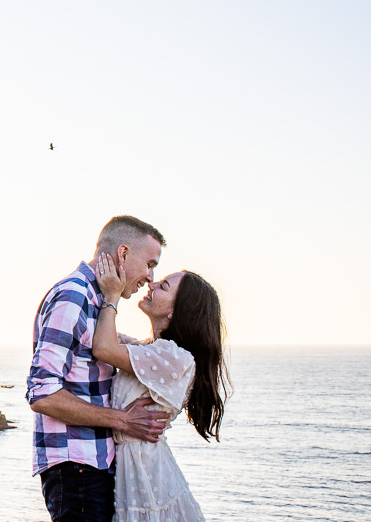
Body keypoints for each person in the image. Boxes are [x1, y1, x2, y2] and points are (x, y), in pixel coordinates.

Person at [27, 215, 171, 522]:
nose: (150, 276)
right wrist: (123, 421)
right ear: (123, 254)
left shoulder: (99, 300)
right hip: (76, 468)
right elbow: (42, 393)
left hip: (93, 465)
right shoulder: (74, 296)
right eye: (149, 264)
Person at [92, 252, 229, 521]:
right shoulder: (150, 349)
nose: (152, 284)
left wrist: (112, 296)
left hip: (149, 479)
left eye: (163, 286)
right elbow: (106, 338)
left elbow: (104, 347)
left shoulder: (176, 358)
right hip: (132, 470)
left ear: (174, 311)